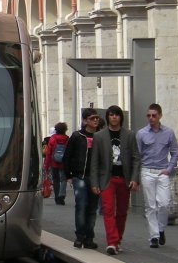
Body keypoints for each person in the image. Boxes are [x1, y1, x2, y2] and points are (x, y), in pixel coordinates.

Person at [90, 105, 140, 255]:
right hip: (107, 179)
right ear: (107, 117)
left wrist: (134, 178)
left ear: (121, 117)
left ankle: (117, 240)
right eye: (111, 115)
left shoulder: (130, 135)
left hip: (124, 179)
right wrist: (94, 182)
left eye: (117, 115)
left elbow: (136, 158)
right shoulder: (99, 136)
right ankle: (111, 242)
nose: (114, 117)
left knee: (122, 211)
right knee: (108, 210)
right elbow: (94, 161)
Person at [136, 103, 178, 248]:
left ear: (160, 116)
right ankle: (153, 236)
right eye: (149, 115)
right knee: (151, 206)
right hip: (147, 171)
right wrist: (137, 174)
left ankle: (161, 229)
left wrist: (169, 168)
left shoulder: (168, 132)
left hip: (162, 172)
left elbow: (175, 152)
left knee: (164, 204)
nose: (151, 118)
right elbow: (137, 155)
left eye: (154, 115)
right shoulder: (142, 133)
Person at [62, 108, 101, 249]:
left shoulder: (100, 136)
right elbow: (67, 156)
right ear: (85, 121)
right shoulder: (77, 136)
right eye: (92, 118)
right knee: (81, 205)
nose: (96, 120)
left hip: (95, 177)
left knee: (92, 208)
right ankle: (80, 236)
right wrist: (68, 175)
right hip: (80, 176)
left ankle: (89, 237)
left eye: (97, 118)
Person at [43, 122, 69, 205]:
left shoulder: (53, 138)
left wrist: (46, 165)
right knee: (63, 179)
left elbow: (48, 153)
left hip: (54, 163)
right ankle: (62, 194)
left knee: (56, 180)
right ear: (65, 130)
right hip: (64, 163)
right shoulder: (67, 139)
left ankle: (57, 197)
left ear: (56, 130)